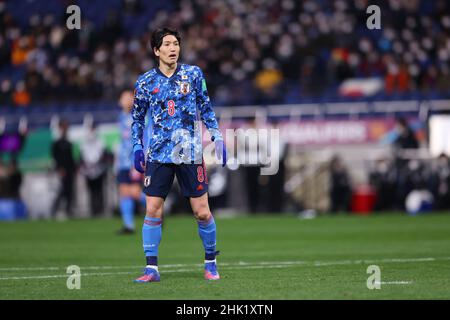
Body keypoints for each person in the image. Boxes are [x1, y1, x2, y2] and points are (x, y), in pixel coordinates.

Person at [131, 28, 226, 282]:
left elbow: (206, 108)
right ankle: (151, 269)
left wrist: (217, 135)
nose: (173, 48)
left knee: (202, 212)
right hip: (159, 154)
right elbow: (137, 120)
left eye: (176, 44)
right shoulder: (144, 82)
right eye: (167, 44)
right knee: (153, 210)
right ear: (156, 50)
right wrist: (136, 146)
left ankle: (211, 263)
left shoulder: (193, 75)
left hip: (190, 152)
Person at [116, 89, 146, 234]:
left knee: (134, 192)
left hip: (134, 161)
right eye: (124, 98)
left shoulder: (138, 116)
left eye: (128, 98)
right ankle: (129, 226)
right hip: (123, 162)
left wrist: (140, 159)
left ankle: (156, 207)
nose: (126, 100)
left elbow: (142, 138)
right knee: (123, 192)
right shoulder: (121, 117)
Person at [80, 122, 108, 217]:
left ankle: (100, 209)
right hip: (88, 171)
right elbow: (82, 155)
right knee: (91, 191)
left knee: (99, 190)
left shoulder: (100, 141)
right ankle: (93, 210)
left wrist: (95, 163)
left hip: (99, 170)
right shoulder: (84, 142)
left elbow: (102, 154)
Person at [51, 119, 76, 218]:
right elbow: (56, 157)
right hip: (61, 170)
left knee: (69, 190)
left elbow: (71, 158)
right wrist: (60, 168)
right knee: (60, 191)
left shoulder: (69, 143)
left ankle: (68, 210)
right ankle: (56, 209)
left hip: (70, 170)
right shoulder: (56, 143)